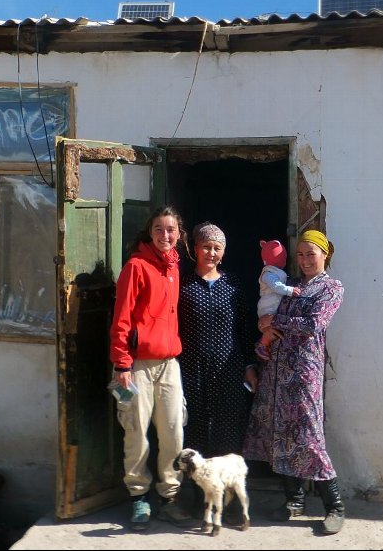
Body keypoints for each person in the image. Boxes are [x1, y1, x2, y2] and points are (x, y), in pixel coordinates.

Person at [242, 229, 347, 535]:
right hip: (276, 372)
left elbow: (314, 325)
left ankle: (335, 506)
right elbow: (270, 318)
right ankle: (294, 502)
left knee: (310, 438)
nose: (304, 260)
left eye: (310, 254)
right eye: (299, 254)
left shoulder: (331, 288)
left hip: (304, 375)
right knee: (280, 436)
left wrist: (276, 322)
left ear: (324, 254)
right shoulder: (291, 286)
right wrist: (265, 333)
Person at [108, 205, 195, 531]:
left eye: (171, 229)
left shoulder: (174, 267)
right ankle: (138, 498)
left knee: (174, 431)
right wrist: (121, 364)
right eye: (159, 229)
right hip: (137, 367)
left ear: (178, 233)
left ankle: (170, 498)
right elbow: (122, 318)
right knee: (136, 433)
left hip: (169, 363)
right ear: (150, 232)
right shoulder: (136, 266)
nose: (165, 235)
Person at [179, 222, 257, 459]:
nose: (211, 253)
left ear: (223, 253)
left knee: (229, 425)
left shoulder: (232, 285)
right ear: (195, 249)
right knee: (195, 426)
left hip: (229, 369)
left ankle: (224, 487)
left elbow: (244, 328)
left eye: (217, 248)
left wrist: (249, 365)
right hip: (192, 369)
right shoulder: (183, 285)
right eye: (206, 247)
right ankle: (198, 489)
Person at [254, 239, 301, 361]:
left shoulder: (275, 272)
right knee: (271, 329)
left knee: (275, 328)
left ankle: (266, 346)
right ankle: (263, 345)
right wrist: (289, 290)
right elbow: (276, 286)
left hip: (271, 305)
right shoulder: (268, 274)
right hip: (268, 307)